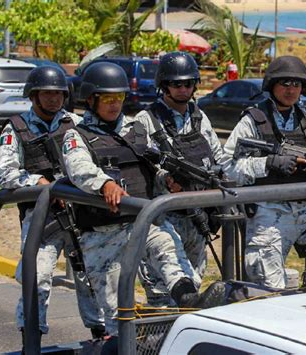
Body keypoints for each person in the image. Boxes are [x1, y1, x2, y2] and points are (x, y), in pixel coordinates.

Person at [61, 61, 219, 351]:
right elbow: (79, 169)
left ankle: (186, 296)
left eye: (118, 98)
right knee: (116, 313)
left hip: (141, 221)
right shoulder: (77, 135)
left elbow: (152, 167)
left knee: (167, 244)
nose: (113, 105)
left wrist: (166, 180)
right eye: (107, 99)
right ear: (92, 100)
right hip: (102, 232)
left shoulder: (135, 130)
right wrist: (104, 184)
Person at [0, 66, 106, 346]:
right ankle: (30, 339)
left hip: (78, 215)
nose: (54, 99)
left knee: (90, 277)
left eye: (59, 93)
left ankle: (101, 337)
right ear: (34, 95)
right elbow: (5, 174)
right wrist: (40, 183)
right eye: (47, 93)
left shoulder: (76, 124)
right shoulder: (17, 128)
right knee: (37, 279)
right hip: (43, 217)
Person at [221, 55, 306, 289]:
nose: (290, 90)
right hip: (268, 215)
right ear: (272, 85)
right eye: (284, 83)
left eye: (296, 84)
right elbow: (226, 167)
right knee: (268, 288)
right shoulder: (253, 121)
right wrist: (267, 163)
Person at [133, 51, 226, 306]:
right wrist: (165, 178)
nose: (184, 89)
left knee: (192, 288)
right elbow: (140, 168)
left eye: (188, 83)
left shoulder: (199, 116)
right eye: (177, 84)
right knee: (163, 292)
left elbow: (217, 157)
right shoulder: (146, 120)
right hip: (165, 219)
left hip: (197, 219)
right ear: (164, 86)